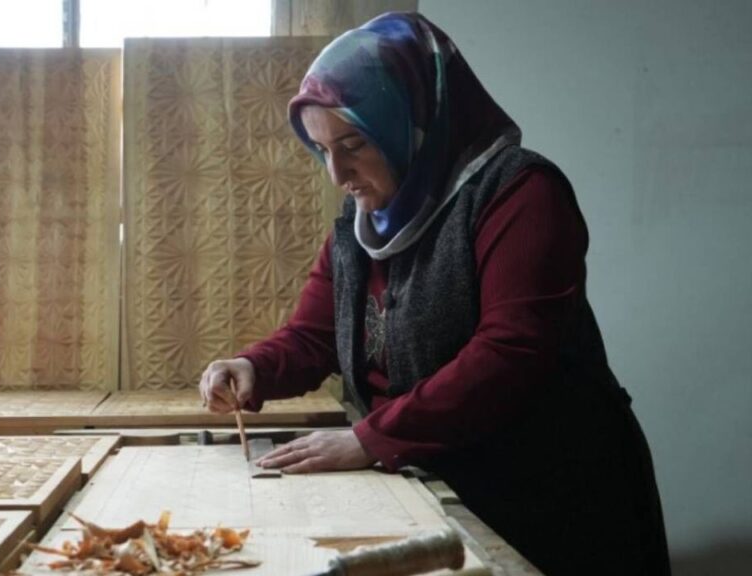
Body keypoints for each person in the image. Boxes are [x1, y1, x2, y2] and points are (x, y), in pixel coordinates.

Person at [198, 12, 670, 576]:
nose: (337, 173)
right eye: (322, 150)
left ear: (412, 120)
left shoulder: (518, 193)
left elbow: (510, 352)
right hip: (436, 477)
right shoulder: (364, 218)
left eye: (353, 144)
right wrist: (253, 367)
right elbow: (316, 334)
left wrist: (372, 438)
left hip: (552, 492)